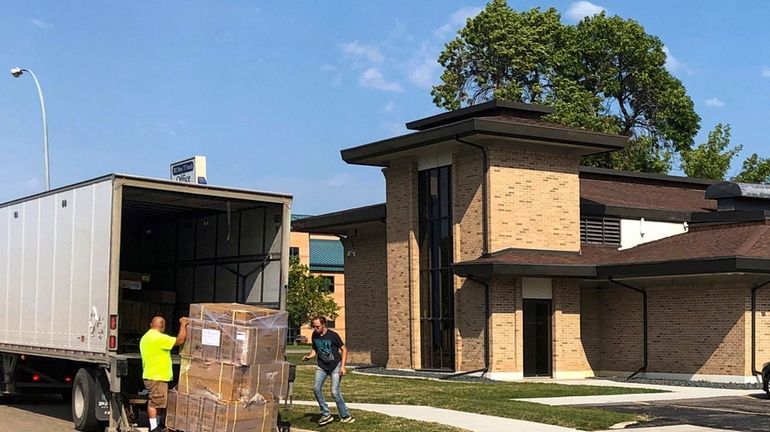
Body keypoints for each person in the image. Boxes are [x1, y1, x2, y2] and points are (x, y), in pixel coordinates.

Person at [140, 315, 189, 432]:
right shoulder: (158, 338)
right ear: (163, 327)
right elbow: (180, 340)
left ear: (151, 325)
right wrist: (183, 324)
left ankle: (156, 425)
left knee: (159, 403)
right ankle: (153, 428)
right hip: (156, 376)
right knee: (154, 402)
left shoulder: (146, 337)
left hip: (152, 374)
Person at [302, 316, 354, 425]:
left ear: (324, 325)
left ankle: (346, 416)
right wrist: (309, 356)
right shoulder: (314, 335)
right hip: (322, 366)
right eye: (313, 326)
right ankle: (326, 414)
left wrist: (343, 366)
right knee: (316, 388)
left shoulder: (333, 335)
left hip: (335, 365)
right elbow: (315, 349)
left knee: (334, 392)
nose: (315, 328)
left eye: (317, 326)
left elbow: (344, 349)